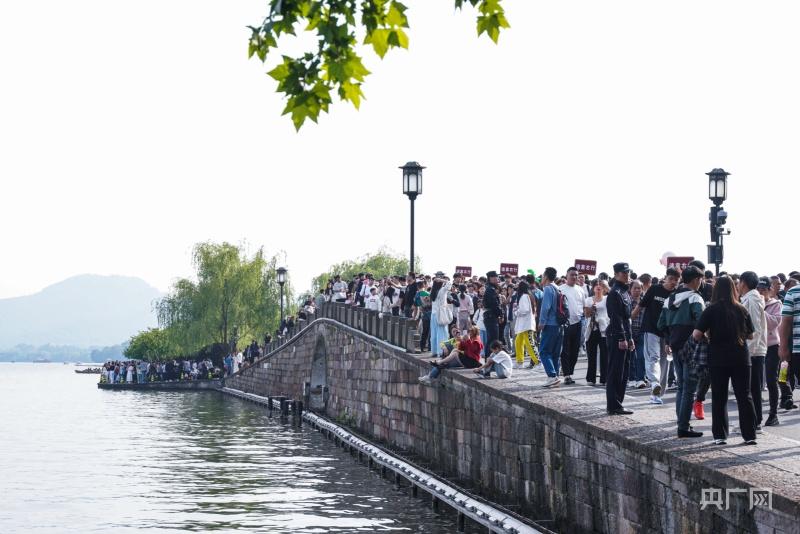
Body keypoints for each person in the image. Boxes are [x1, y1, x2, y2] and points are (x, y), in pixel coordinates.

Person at [693, 276, 757, 445]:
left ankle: (720, 436)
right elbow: (751, 335)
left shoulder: (711, 310)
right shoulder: (742, 309)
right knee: (744, 396)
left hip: (718, 358)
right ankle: (750, 435)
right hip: (741, 358)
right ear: (733, 289)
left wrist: (709, 335)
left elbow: (696, 334)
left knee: (719, 397)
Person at [658, 266, 705, 438]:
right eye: (700, 279)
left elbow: (661, 324)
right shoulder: (695, 298)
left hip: (675, 346)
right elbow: (702, 321)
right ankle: (683, 427)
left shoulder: (669, 299)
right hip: (691, 347)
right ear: (695, 280)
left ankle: (681, 422)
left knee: (681, 387)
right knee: (689, 389)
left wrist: (669, 340)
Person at [634, 268, 679, 405]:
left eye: (676, 280)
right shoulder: (654, 289)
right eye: (671, 279)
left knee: (664, 362)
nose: (673, 282)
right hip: (651, 329)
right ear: (665, 278)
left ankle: (658, 394)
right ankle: (654, 382)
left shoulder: (676, 294)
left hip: (667, 333)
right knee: (653, 357)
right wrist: (630, 318)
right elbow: (641, 305)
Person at [740, 271, 768, 431]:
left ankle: (755, 422)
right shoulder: (750, 298)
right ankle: (754, 421)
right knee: (751, 388)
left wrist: (748, 352)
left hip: (753, 351)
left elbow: (755, 328)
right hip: (754, 350)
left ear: (743, 283)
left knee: (753, 388)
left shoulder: (752, 300)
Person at [606, 262, 634, 415]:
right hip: (616, 335)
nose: (627, 275)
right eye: (624, 273)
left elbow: (627, 318)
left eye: (628, 272)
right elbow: (616, 318)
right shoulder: (615, 293)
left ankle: (618, 403)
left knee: (624, 372)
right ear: (616, 274)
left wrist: (630, 337)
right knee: (616, 371)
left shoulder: (625, 291)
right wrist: (622, 338)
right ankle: (613, 405)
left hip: (625, 334)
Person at [760, 277, 783, 426]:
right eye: (758, 289)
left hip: (772, 346)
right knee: (755, 381)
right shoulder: (751, 302)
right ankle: (756, 415)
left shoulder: (776, 304)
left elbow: (774, 323)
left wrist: (761, 309)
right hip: (756, 346)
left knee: (771, 379)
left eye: (763, 289)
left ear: (770, 290)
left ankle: (773, 414)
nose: (760, 292)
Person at [537, 267, 563, 388]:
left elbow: (545, 307)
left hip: (550, 323)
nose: (542, 278)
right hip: (560, 324)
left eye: (543, 276)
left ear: (546, 277)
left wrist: (541, 322)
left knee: (544, 351)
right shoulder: (558, 288)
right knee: (555, 353)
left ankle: (552, 376)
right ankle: (555, 376)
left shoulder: (548, 288)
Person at [559, 267, 585, 385]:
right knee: (565, 350)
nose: (574, 277)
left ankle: (569, 371)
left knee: (575, 350)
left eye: (576, 275)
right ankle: (566, 374)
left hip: (578, 322)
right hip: (565, 323)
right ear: (567, 275)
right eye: (572, 275)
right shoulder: (561, 289)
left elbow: (583, 306)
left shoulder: (580, 290)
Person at [584, 280, 609, 385]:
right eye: (596, 285)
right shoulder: (588, 300)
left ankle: (604, 378)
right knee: (591, 355)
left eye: (601, 285)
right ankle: (591, 378)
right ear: (593, 288)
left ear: (604, 288)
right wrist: (591, 308)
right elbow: (586, 315)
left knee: (605, 355)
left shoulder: (607, 299)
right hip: (592, 329)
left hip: (604, 329)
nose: (598, 287)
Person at [779, 282, 800, 409]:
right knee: (783, 373)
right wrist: (783, 346)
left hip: (793, 346)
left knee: (787, 375)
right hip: (790, 347)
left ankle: (787, 397)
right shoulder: (790, 295)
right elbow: (785, 322)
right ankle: (785, 397)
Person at [513, 280, 540, 370]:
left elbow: (524, 310)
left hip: (526, 325)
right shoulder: (528, 295)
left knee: (530, 343)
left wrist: (516, 312)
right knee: (518, 342)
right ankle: (519, 362)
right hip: (524, 325)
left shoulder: (524, 296)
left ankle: (538, 362)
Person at [628, 279, 647, 388]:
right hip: (629, 331)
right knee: (631, 357)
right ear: (630, 289)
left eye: (639, 288)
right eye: (634, 288)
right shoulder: (627, 301)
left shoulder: (645, 301)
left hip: (641, 331)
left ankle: (640, 379)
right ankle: (631, 378)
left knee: (641, 356)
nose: (637, 290)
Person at [430, 279, 452, 357]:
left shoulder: (432, 291)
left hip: (433, 314)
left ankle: (434, 351)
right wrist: (442, 280)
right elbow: (449, 284)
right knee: (442, 333)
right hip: (441, 314)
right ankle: (441, 352)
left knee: (434, 333)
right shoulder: (442, 290)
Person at [483, 271, 503, 356]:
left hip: (490, 316)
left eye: (497, 277)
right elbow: (494, 304)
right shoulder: (490, 289)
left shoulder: (490, 289)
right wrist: (500, 314)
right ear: (490, 278)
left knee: (492, 339)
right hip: (491, 316)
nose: (497, 279)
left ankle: (490, 359)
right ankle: (489, 358)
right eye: (495, 277)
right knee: (493, 340)